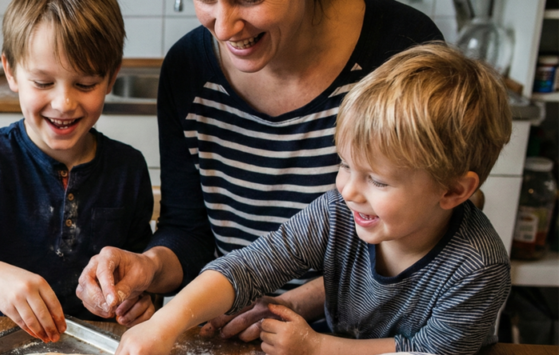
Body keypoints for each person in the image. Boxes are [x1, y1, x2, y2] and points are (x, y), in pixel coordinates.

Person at [110, 43, 513, 355]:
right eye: (345, 165)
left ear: (453, 191)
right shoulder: (341, 210)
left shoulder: (477, 267)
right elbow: (254, 263)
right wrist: (166, 322)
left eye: (376, 180)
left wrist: (317, 350)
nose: (349, 190)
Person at [77, 0, 443, 335]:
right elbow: (190, 231)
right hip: (228, 331)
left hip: (365, 344)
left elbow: (422, 245)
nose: (223, 29)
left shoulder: (402, 50)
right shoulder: (187, 67)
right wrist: (149, 267)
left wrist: (289, 305)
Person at [0, 0, 154, 342]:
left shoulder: (128, 168)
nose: (64, 103)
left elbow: (142, 271)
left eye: (85, 84)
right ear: (11, 71)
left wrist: (137, 301)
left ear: (111, 78)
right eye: (43, 82)